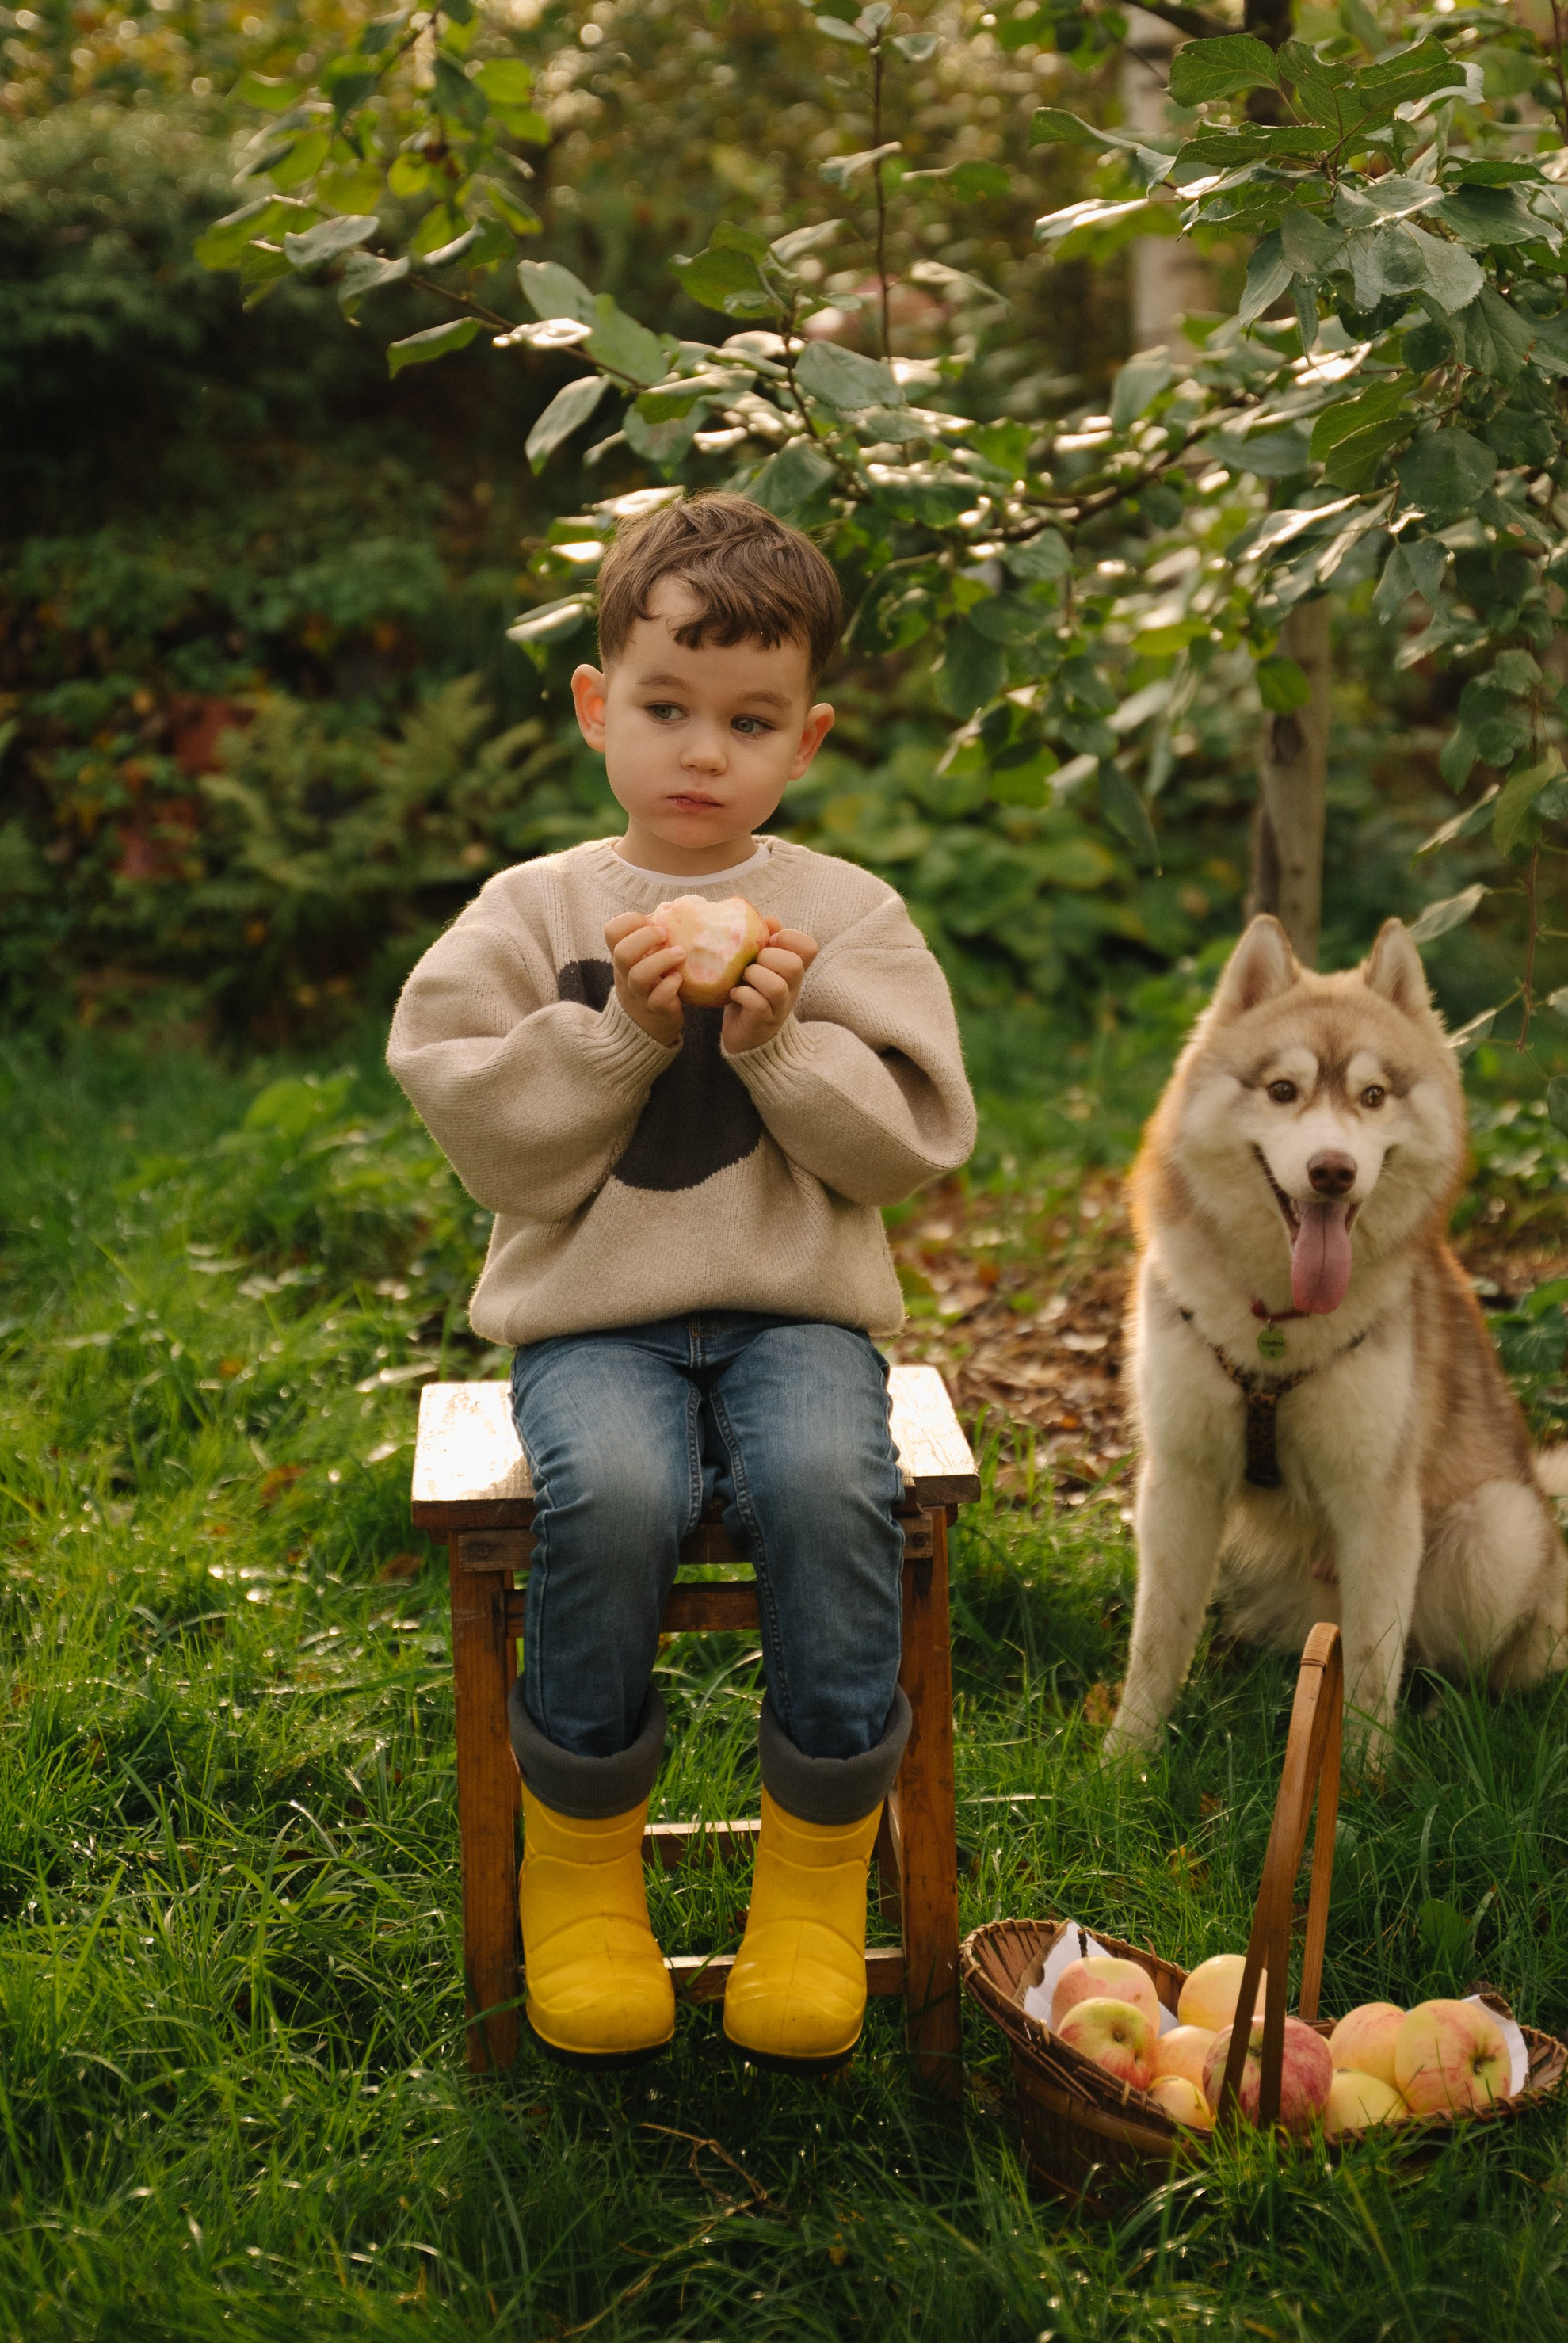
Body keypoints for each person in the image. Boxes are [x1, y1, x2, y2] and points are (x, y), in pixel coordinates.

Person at [388, 492, 975, 2071]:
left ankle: (813, 1875)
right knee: (621, 1493)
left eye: (749, 721)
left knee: (826, 1480)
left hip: (798, 1313)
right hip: (593, 1320)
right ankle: (581, 1871)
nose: (703, 751)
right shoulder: (531, 914)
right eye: (666, 709)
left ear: (807, 739)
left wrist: (778, 1041)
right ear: (597, 707)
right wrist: (625, 1034)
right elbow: (494, 1144)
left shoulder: (847, 917)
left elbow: (908, 1143)